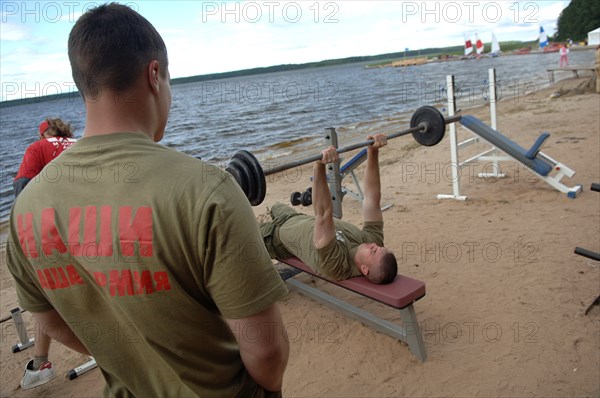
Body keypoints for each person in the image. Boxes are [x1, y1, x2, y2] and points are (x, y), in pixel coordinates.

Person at [6, 3, 289, 397]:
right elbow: (267, 351)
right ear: (154, 75)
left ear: (84, 84)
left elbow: (48, 320)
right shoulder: (207, 189)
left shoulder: (25, 209)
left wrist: (126, 355)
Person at [261, 134, 398, 285]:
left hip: (275, 236)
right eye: (378, 247)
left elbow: (323, 213)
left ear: (365, 269)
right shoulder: (371, 242)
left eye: (373, 251)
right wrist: (372, 151)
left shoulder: (338, 265)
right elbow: (372, 199)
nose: (374, 245)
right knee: (275, 205)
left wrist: (319, 166)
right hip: (295, 217)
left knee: (235, 231)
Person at [13, 118, 77, 390]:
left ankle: (41, 364)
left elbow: (23, 191)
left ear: (42, 133)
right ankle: (39, 363)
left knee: (44, 296)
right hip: (93, 226)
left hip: (55, 232)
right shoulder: (79, 144)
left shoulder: (37, 148)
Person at [13, 118, 77, 197]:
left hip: (56, 195)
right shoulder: (78, 142)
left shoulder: (37, 146)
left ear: (42, 135)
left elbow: (23, 181)